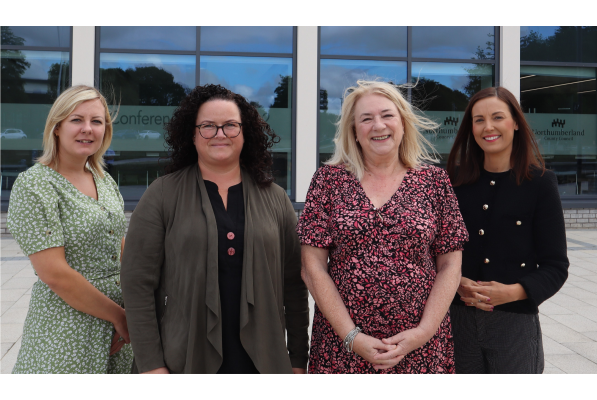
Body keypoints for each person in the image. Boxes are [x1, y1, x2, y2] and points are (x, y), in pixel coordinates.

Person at [120, 84, 309, 374]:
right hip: (183, 359)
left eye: (230, 126)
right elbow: (137, 284)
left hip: (264, 361)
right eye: (208, 126)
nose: (220, 134)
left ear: (245, 133)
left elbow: (294, 286)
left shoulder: (276, 197)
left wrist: (297, 359)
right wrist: (151, 365)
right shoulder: (162, 194)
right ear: (192, 134)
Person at [296, 80, 468, 374]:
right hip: (342, 346)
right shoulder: (328, 181)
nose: (378, 125)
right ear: (354, 131)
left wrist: (423, 332)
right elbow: (312, 269)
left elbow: (451, 265)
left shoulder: (434, 181)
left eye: (387, 115)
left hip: (421, 347)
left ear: (402, 123)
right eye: (366, 118)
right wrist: (352, 337)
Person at [7, 85, 133, 373]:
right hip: (68, 330)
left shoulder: (103, 179)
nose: (87, 129)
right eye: (77, 120)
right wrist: (120, 317)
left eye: (96, 121)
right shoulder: (35, 185)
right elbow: (55, 274)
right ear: (57, 127)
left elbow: (120, 246)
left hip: (119, 329)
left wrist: (135, 312)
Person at [446, 86, 569, 374]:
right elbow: (435, 252)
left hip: (515, 323)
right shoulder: (454, 183)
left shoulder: (540, 184)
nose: (488, 127)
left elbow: (556, 266)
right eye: (478, 120)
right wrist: (455, 282)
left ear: (515, 122)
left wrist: (513, 292)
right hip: (456, 320)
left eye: (497, 117)